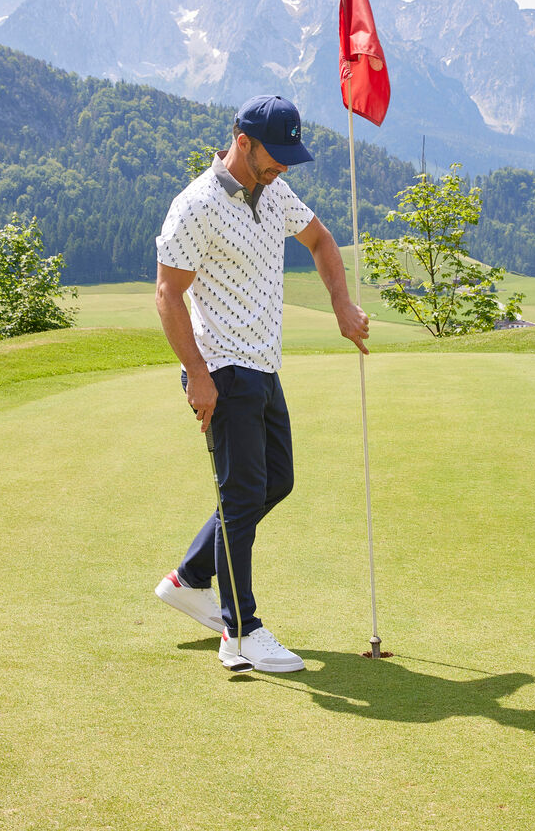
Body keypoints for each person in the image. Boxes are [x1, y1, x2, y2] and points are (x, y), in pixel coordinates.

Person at [151, 94, 370, 672]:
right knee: (242, 493)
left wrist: (342, 304)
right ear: (241, 141)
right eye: (276, 157)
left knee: (276, 481)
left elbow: (321, 240)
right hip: (222, 370)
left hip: (264, 366)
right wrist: (197, 376)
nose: (284, 169)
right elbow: (168, 295)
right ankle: (240, 632)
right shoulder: (195, 206)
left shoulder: (274, 192)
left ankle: (191, 578)